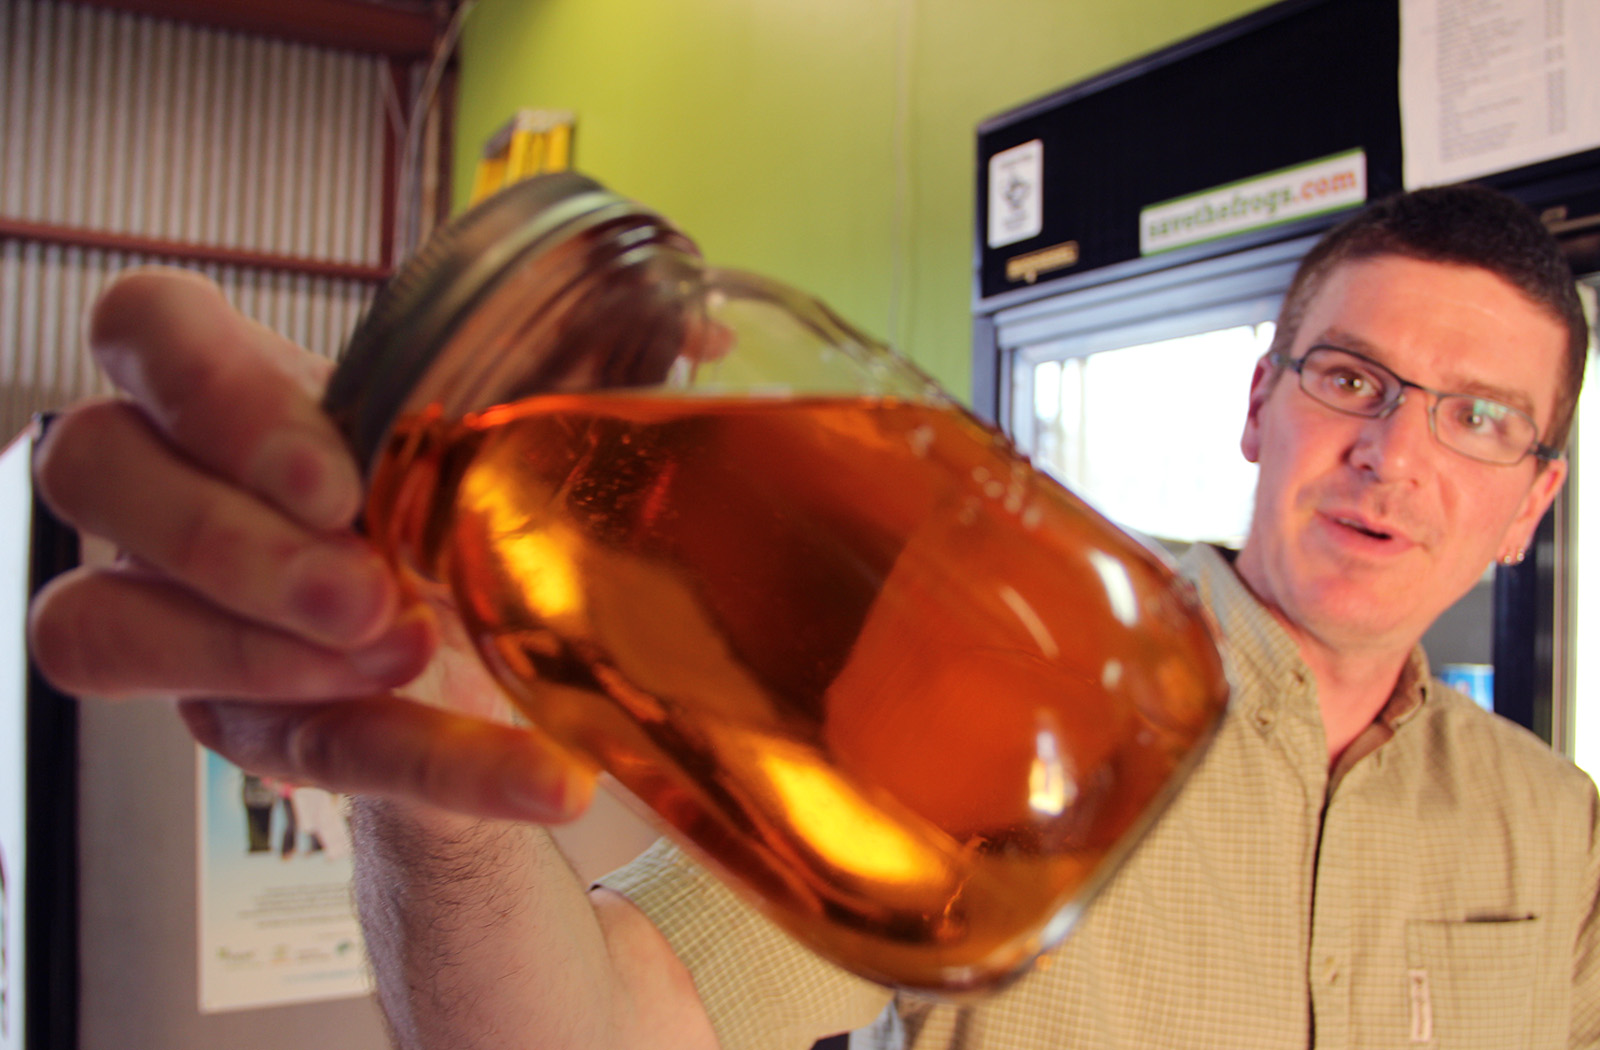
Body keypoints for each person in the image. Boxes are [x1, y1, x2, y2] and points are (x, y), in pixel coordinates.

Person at [25, 183, 1600, 1049]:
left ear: (1535, 503)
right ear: (1261, 403)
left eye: (1478, 417)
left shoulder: (1559, 827)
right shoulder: (1013, 646)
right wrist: (433, 769)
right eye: (1352, 377)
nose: (1394, 453)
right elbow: (593, 1033)